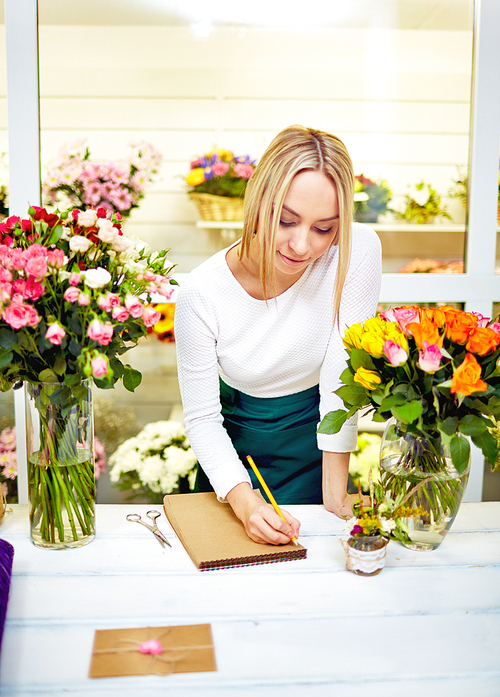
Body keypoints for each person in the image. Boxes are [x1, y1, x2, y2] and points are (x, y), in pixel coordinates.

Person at [174, 125, 382, 546]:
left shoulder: (357, 251)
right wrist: (245, 502)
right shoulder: (201, 292)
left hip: (321, 448)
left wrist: (334, 494)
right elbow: (202, 419)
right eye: (285, 221)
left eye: (325, 229)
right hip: (234, 459)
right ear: (258, 199)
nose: (302, 245)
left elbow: (342, 375)